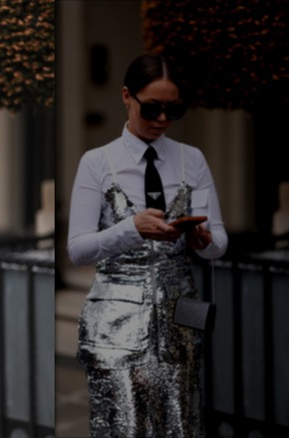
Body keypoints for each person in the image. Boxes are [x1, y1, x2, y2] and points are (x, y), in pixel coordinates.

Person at [67, 53, 228, 437]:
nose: (161, 119)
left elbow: (218, 241)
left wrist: (203, 240)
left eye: (174, 110)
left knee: (180, 424)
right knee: (123, 425)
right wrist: (132, 229)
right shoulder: (97, 161)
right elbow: (78, 249)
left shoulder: (193, 160)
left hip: (180, 317)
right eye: (152, 107)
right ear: (127, 97)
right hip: (113, 321)